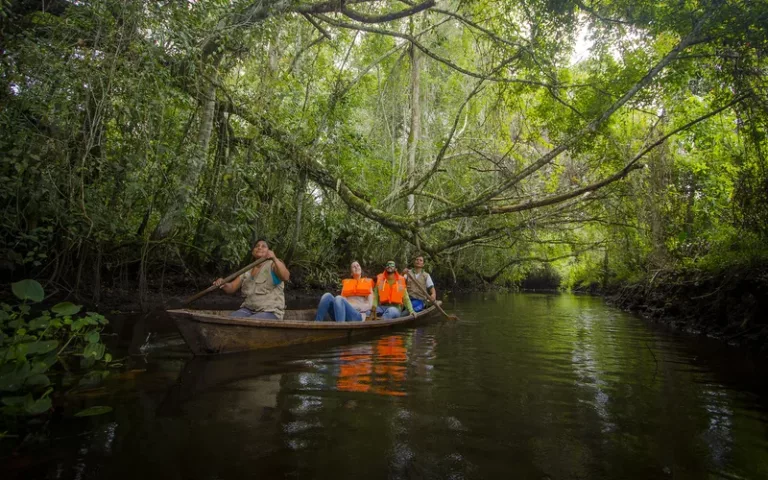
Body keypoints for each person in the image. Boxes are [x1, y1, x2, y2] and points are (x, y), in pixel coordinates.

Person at [212, 239, 290, 320]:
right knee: (231, 319)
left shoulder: (274, 265)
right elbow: (231, 287)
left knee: (251, 321)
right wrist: (223, 283)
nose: (259, 248)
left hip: (270, 311)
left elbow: (286, 277)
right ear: (253, 252)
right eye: (257, 246)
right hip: (248, 309)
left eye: (263, 246)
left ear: (269, 251)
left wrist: (274, 258)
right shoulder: (247, 271)